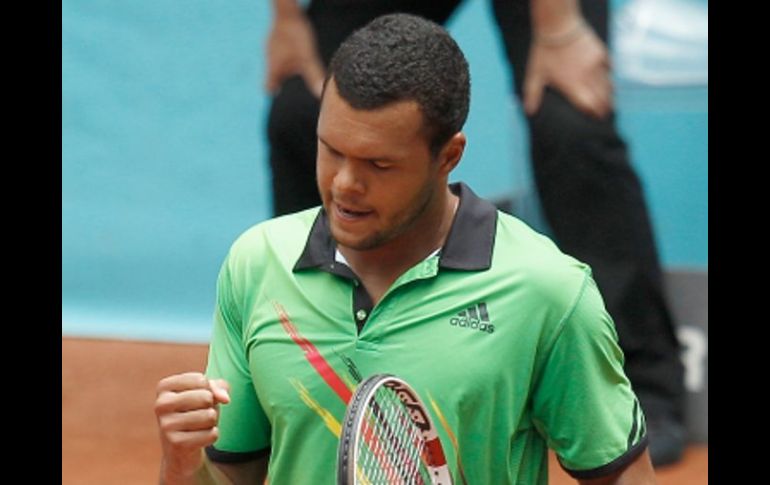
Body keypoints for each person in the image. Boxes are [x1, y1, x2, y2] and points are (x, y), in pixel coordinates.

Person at [155, 13, 658, 484]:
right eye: (331, 150)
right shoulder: (259, 264)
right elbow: (233, 474)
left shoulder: (546, 291)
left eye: (379, 164)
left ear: (449, 156)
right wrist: (180, 465)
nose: (345, 185)